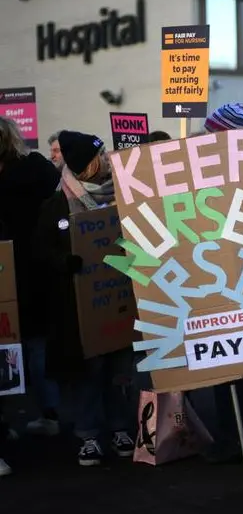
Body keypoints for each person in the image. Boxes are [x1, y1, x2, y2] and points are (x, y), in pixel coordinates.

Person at [35, 131, 135, 467]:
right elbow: (41, 249)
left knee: (120, 369)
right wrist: (64, 262)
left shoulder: (124, 190)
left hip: (119, 297)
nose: (108, 158)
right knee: (90, 372)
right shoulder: (57, 203)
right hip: (81, 306)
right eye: (101, 154)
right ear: (84, 165)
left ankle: (122, 428)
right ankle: (89, 434)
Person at [0, 117, 60, 475]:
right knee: (37, 346)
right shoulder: (38, 169)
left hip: (11, 272)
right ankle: (50, 412)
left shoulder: (8, 181)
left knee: (9, 349)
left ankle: (7, 423)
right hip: (39, 271)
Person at [199, 102, 243, 464]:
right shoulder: (202, 169)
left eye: (211, 135)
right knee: (221, 362)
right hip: (213, 274)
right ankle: (229, 434)